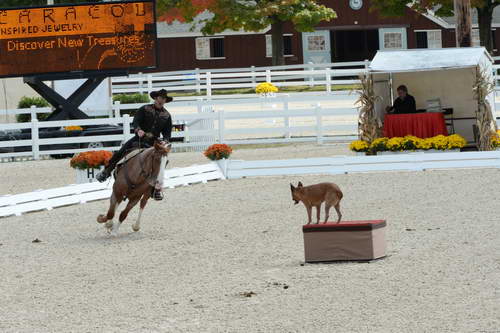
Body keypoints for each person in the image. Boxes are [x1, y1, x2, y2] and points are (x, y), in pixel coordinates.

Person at [96, 89, 173, 201]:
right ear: (156, 98)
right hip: (139, 138)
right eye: (161, 98)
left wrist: (165, 141)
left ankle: (156, 189)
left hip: (154, 143)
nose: (162, 100)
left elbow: (167, 133)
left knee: (162, 161)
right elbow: (135, 121)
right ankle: (106, 171)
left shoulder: (167, 115)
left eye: (164, 99)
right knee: (121, 151)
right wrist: (138, 130)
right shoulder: (145, 109)